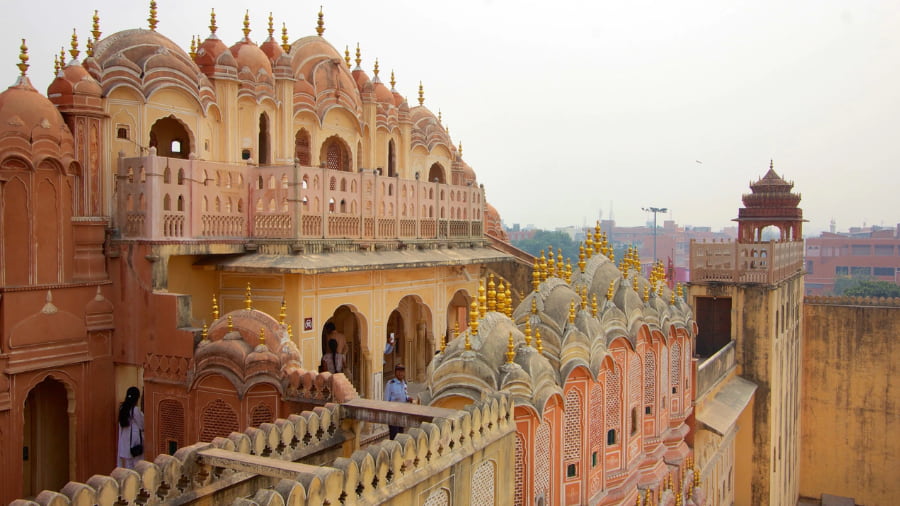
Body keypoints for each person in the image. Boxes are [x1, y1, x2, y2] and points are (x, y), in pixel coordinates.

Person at [117, 386, 144, 469]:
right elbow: (142, 424)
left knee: (128, 463)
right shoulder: (135, 410)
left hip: (124, 439)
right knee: (136, 464)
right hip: (134, 441)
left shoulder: (123, 408)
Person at [384, 363, 412, 439]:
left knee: (401, 435)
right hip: (393, 415)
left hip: (402, 414)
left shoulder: (404, 383)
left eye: (402, 371)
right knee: (394, 436)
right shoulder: (390, 384)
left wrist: (408, 398)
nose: (400, 373)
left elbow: (405, 395)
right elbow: (386, 400)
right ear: (395, 372)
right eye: (398, 371)